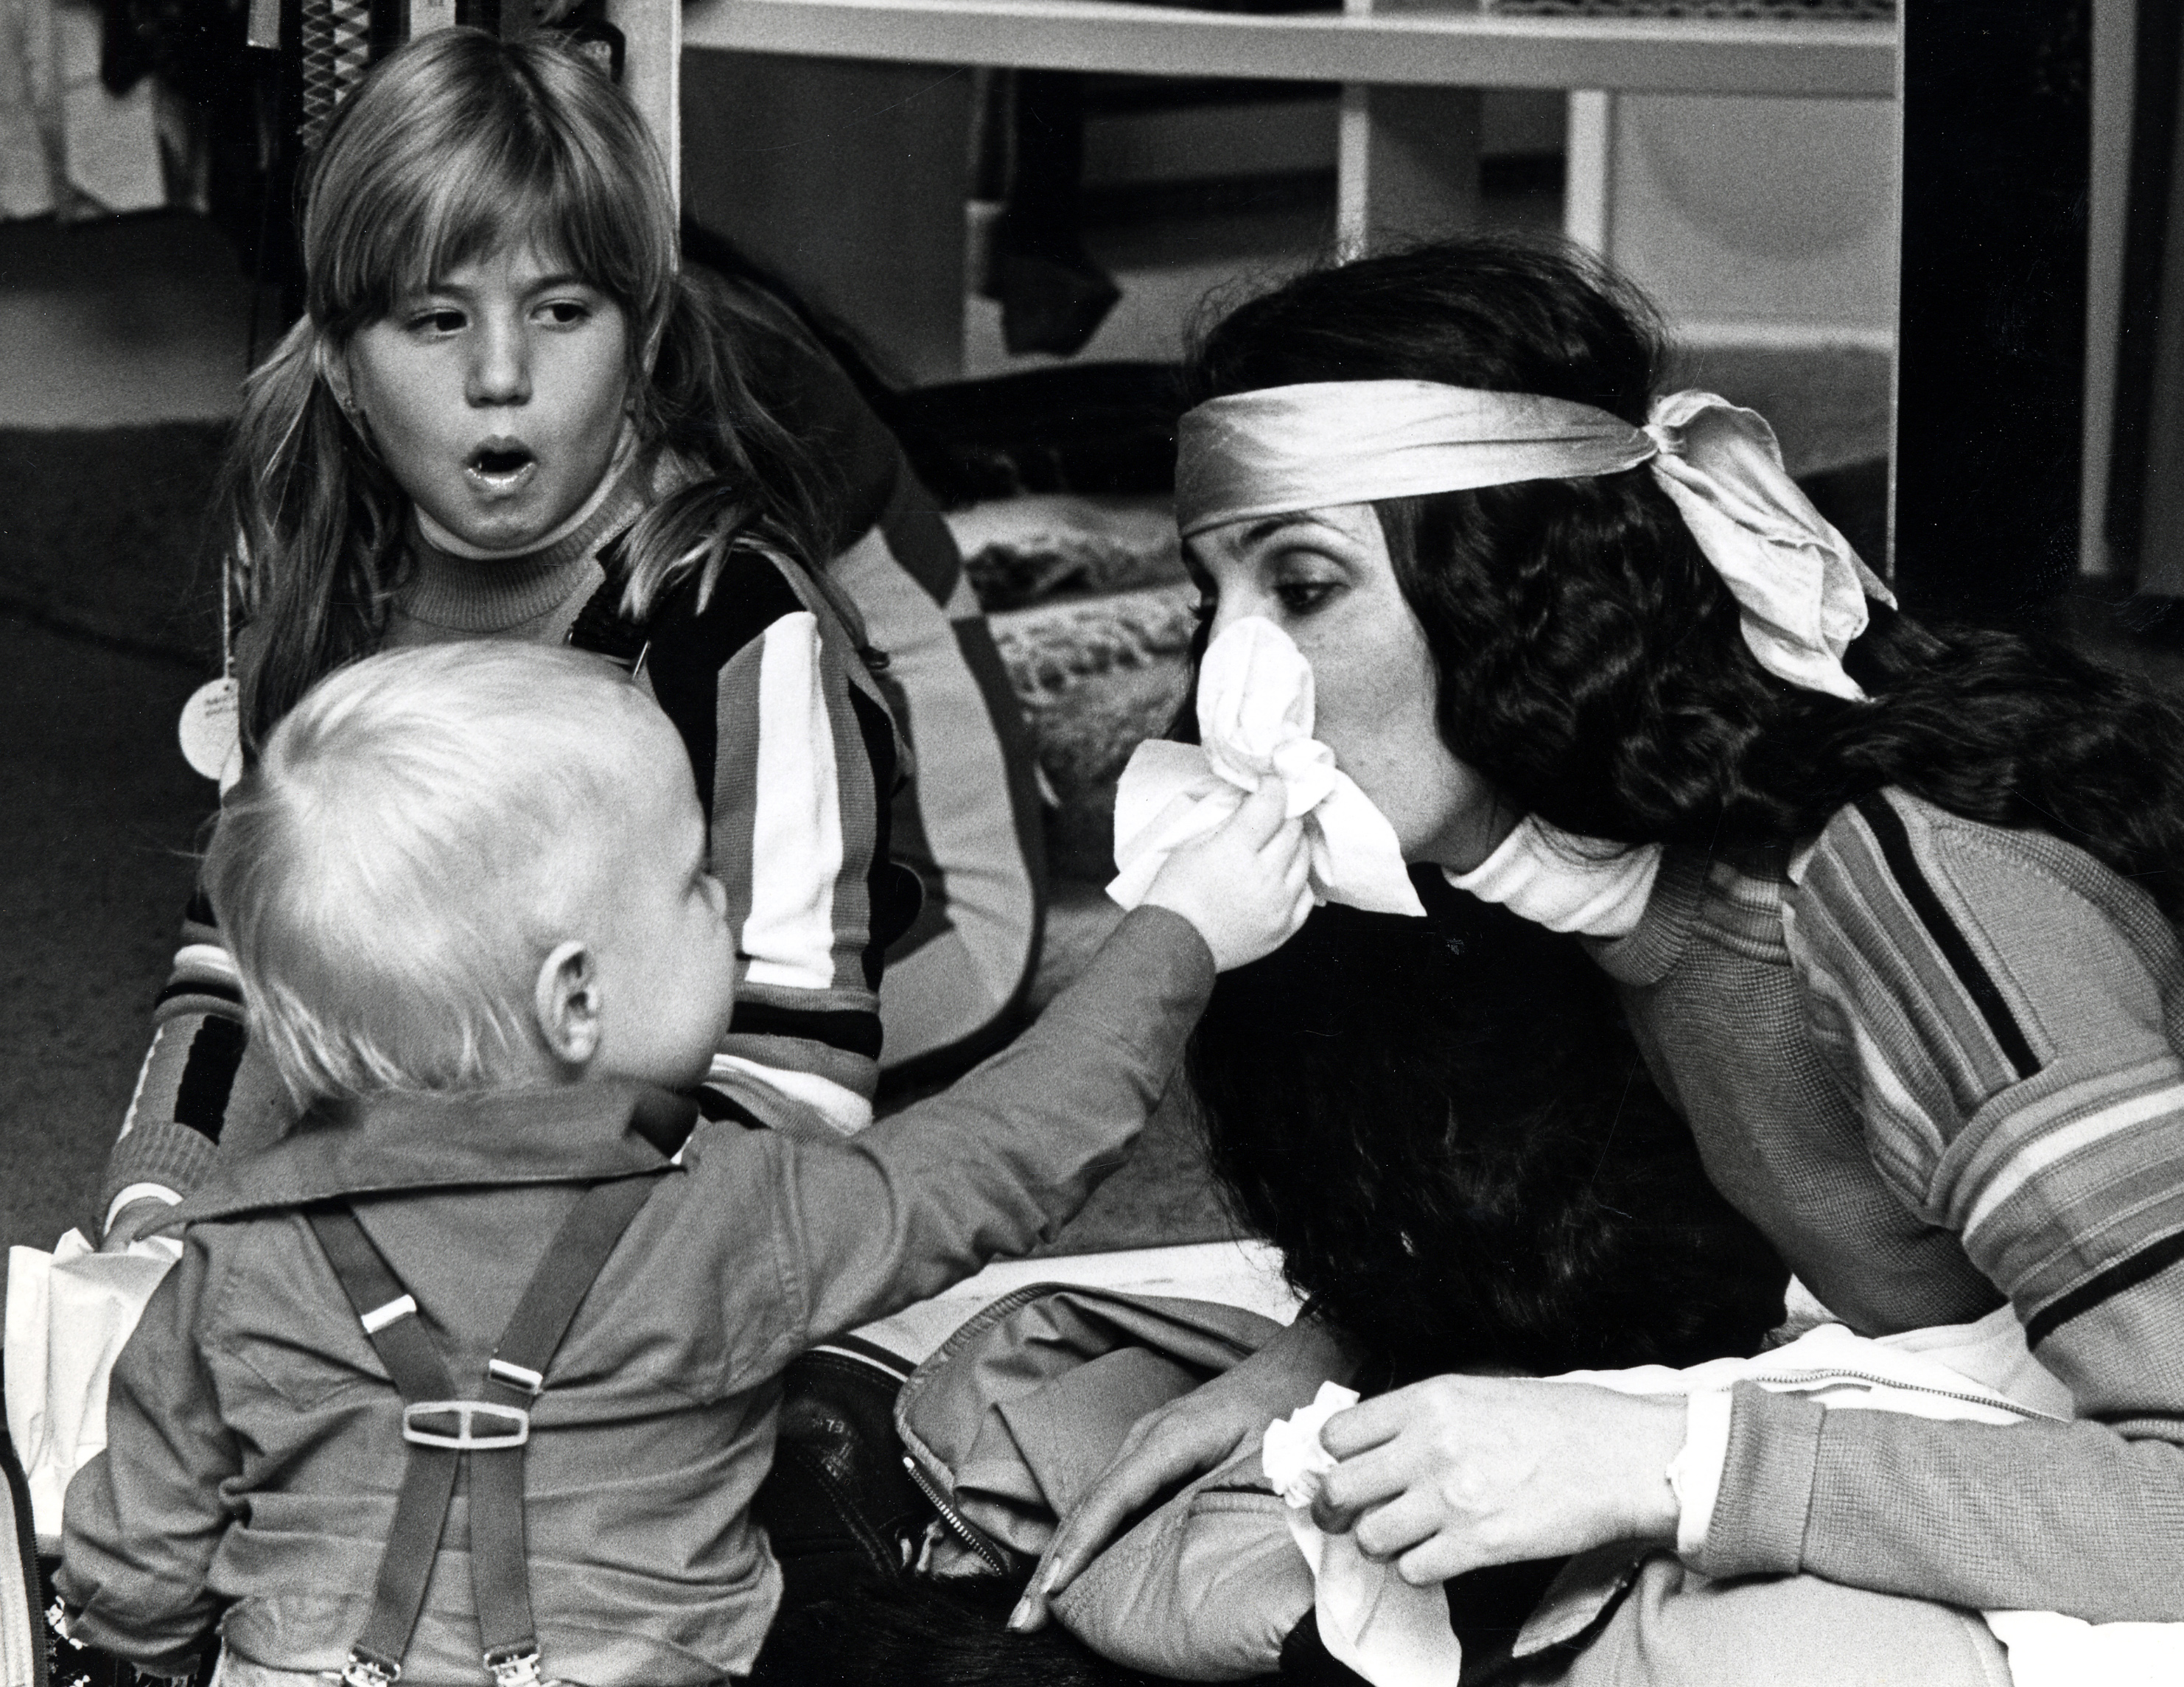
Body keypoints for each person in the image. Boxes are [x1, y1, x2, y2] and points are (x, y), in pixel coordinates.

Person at [1012, 238, 2184, 1680]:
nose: (1233, 691)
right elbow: (1626, 1257)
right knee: (1044, 1406)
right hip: (1916, 1398)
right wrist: (1323, 1360)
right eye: (1224, 601)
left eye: (1308, 586)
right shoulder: (1555, 897)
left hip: (2137, 1477)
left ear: (1513, 588)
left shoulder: (1911, 893)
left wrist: (1673, 1462)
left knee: (1742, 1654)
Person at [57, 640, 1310, 1685]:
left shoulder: (227, 1252)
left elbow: (140, 1567)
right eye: (694, 881)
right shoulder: (736, 1212)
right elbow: (1005, 1150)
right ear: (576, 1000)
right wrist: (1179, 932)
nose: (724, 903)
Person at [99, 24, 1047, 1250]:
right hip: (560, 991)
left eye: (559, 311)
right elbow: (245, 967)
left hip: (889, 945)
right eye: (438, 320)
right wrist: (156, 1217)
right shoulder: (314, 588)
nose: (502, 374)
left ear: (643, 343)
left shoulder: (736, 618)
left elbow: (794, 1052)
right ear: (339, 368)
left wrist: (545, 1266)